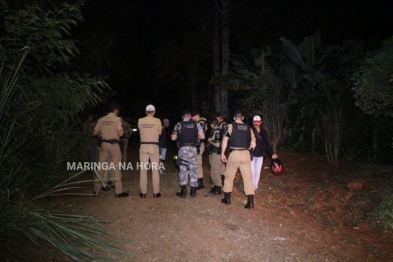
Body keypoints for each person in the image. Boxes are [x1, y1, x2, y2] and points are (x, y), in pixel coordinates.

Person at [221, 109, 256, 209]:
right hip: (245, 154)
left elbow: (225, 140)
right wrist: (250, 151)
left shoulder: (230, 126)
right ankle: (250, 203)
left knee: (229, 175)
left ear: (233, 118)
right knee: (248, 178)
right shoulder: (248, 128)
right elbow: (254, 143)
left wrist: (223, 153)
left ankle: (227, 199)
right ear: (243, 117)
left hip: (234, 153)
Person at [93, 103, 129, 198]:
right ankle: (118, 192)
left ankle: (97, 191)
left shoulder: (101, 119)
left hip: (104, 145)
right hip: (114, 145)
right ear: (116, 110)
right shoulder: (117, 119)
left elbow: (95, 132)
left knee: (100, 168)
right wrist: (123, 131)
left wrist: (104, 132)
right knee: (116, 168)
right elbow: (121, 133)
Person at [171, 110, 205, 198]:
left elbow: (173, 138)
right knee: (194, 169)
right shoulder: (196, 124)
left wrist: (176, 134)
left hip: (183, 149)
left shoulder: (179, 124)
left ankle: (183, 192)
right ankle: (193, 191)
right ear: (190, 116)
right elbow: (203, 136)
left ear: (183, 117)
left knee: (183, 169)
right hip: (193, 149)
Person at [138, 104, 162, 198]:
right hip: (154, 146)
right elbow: (160, 133)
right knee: (155, 170)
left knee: (143, 170)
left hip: (144, 146)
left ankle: (143, 192)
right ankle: (156, 192)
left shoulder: (140, 120)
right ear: (154, 112)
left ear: (145, 112)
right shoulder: (157, 120)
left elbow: (141, 130)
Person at [250, 115, 278, 191]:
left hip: (260, 155)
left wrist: (272, 154)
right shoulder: (250, 130)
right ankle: (251, 188)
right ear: (252, 122)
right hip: (251, 155)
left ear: (261, 122)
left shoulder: (263, 132)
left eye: (258, 122)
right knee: (252, 172)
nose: (256, 123)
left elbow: (267, 144)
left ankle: (255, 187)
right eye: (255, 122)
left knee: (257, 172)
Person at [206, 112, 227, 195]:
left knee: (216, 169)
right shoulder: (215, 130)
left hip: (217, 152)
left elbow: (218, 143)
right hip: (214, 151)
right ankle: (216, 186)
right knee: (214, 169)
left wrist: (209, 140)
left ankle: (218, 188)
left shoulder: (217, 130)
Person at [190, 110, 208, 190]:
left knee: (198, 163)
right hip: (198, 144)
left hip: (199, 144)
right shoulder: (201, 122)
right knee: (197, 163)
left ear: (196, 116)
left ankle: (200, 183)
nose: (192, 119)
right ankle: (198, 181)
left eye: (192, 117)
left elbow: (202, 134)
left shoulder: (201, 123)